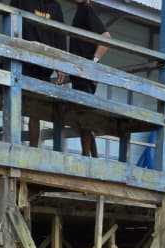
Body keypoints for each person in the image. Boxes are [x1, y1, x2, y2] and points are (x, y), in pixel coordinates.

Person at [13, 0, 65, 147]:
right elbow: (12, 24)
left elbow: (59, 36)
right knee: (16, 101)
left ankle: (33, 148)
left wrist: (60, 65)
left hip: (45, 63)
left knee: (35, 110)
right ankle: (13, 145)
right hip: (23, 59)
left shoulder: (55, 6)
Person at [67, 0, 109, 157]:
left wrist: (93, 61)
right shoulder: (81, 10)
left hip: (84, 72)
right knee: (84, 115)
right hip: (80, 73)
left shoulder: (86, 9)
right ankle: (94, 156)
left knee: (84, 115)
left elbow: (106, 37)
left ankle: (86, 156)